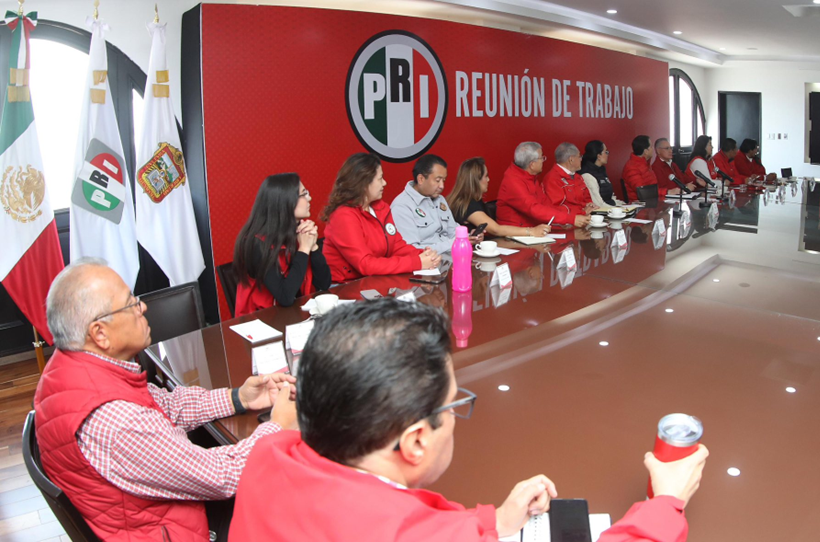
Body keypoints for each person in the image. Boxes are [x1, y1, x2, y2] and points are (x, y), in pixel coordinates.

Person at [229, 299, 710, 541]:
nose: (458, 415)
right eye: (453, 405)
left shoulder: (268, 452)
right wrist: (666, 503)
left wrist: (496, 522)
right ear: (417, 441)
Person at [34, 259, 299, 541]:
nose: (143, 307)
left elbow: (167, 405)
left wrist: (239, 398)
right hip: (174, 529)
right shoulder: (115, 420)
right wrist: (277, 427)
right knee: (292, 500)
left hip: (147, 514)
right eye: (130, 304)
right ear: (100, 333)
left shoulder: (72, 370)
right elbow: (222, 476)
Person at [322, 153, 441, 283]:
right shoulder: (343, 216)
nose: (384, 183)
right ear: (364, 183)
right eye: (380, 179)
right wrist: (416, 262)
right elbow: (365, 264)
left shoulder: (381, 208)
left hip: (374, 281)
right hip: (345, 287)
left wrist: (423, 255)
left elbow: (397, 246)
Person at [232, 173, 331, 317]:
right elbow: (285, 297)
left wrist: (313, 246)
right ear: (285, 202)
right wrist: (304, 249)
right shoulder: (257, 243)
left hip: (293, 315)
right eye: (304, 194)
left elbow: (324, 284)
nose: (309, 198)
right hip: (262, 320)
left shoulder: (297, 231)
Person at [446, 157, 551, 238]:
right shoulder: (468, 204)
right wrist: (531, 231)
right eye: (486, 176)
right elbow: (495, 229)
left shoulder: (471, 201)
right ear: (476, 180)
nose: (488, 180)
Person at [496, 142, 591, 228]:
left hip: (534, 229)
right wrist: (571, 219)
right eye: (542, 158)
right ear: (532, 164)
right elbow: (534, 209)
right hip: (516, 233)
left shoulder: (531, 178)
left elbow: (546, 204)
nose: (543, 160)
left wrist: (575, 216)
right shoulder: (513, 181)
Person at [391, 154, 472, 254]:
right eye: (437, 180)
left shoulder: (440, 199)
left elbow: (453, 232)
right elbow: (412, 250)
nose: (442, 186)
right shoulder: (402, 206)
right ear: (421, 179)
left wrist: (468, 237)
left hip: (450, 257)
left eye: (444, 180)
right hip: (428, 261)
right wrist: (453, 243)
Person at [622, 135, 681, 201]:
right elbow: (643, 192)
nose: (653, 149)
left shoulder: (646, 164)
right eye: (651, 146)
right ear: (646, 151)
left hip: (653, 201)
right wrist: (667, 192)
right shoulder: (631, 168)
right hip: (641, 204)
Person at [543, 142, 597, 214]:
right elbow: (556, 209)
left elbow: (587, 199)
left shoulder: (578, 177)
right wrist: (582, 212)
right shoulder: (552, 179)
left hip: (584, 217)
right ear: (571, 159)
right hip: (570, 219)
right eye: (579, 156)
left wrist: (589, 205)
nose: (581, 159)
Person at [579, 140, 625, 207]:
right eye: (606, 152)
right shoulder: (587, 175)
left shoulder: (601, 170)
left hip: (610, 208)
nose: (608, 154)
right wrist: (619, 210)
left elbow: (610, 197)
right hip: (602, 211)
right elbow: (598, 205)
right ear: (599, 156)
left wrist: (624, 206)